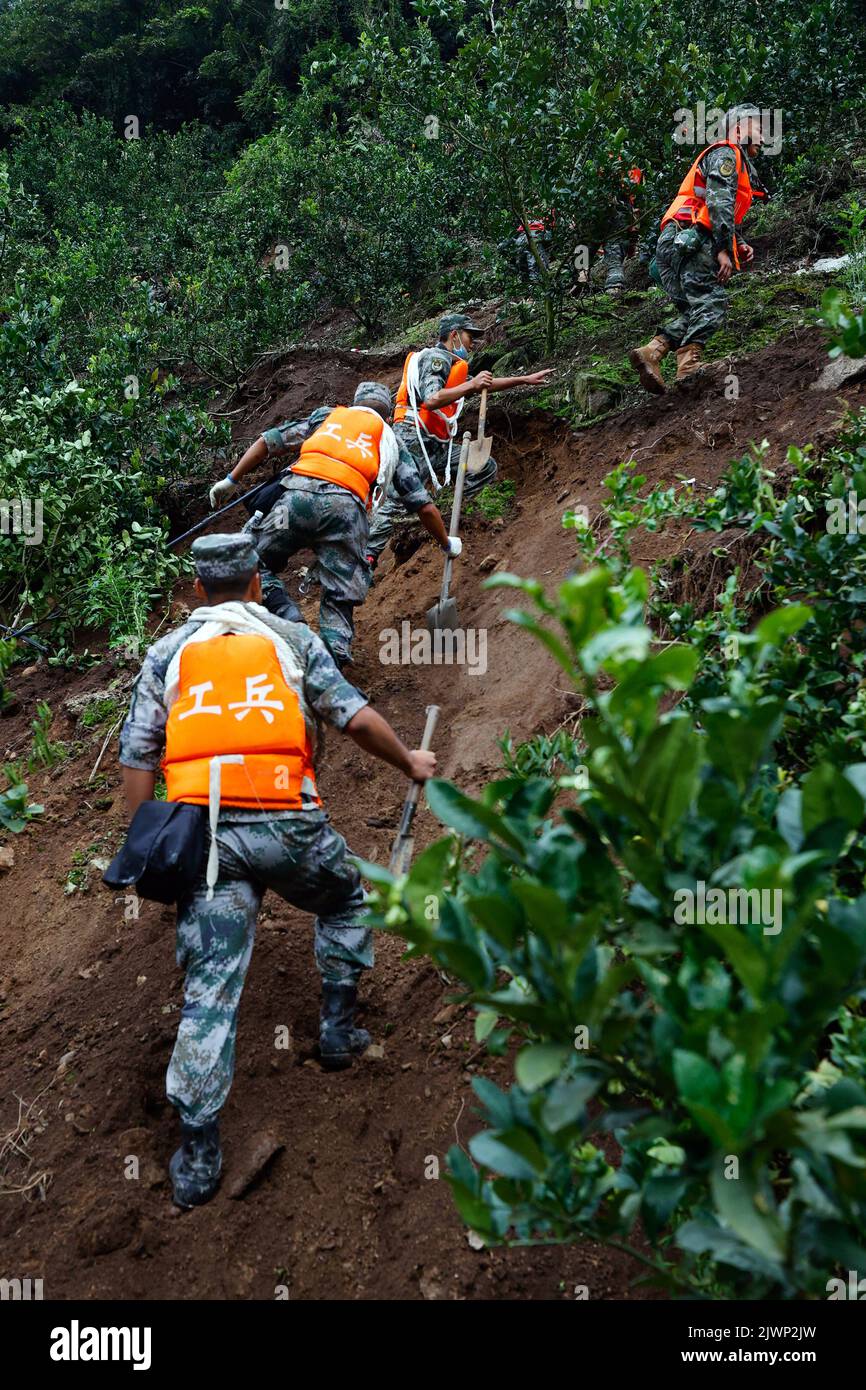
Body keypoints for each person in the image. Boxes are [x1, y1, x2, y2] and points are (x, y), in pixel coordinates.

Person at [118, 533, 437, 1208]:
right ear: (257, 585)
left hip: (207, 842)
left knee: (212, 989)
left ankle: (198, 1150)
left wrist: (145, 842)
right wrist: (409, 761)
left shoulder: (167, 653)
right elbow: (350, 718)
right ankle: (338, 1026)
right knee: (346, 895)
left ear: (198, 590)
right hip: (288, 824)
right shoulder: (290, 638)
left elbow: (139, 756)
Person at [208, 382, 458, 668]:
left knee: (249, 559)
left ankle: (287, 614)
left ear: (353, 404)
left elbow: (270, 441)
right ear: (388, 416)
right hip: (347, 514)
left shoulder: (327, 417)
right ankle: (331, 662)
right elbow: (423, 506)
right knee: (340, 593)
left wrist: (230, 481)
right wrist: (447, 544)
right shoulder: (392, 442)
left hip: (293, 502)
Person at [366, 313, 553, 566]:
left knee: (483, 467)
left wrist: (523, 379)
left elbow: (482, 385)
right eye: (469, 336)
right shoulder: (436, 358)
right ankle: (366, 556)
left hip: (437, 444)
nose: (472, 343)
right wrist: (472, 385)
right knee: (397, 500)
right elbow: (432, 399)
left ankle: (448, 517)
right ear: (454, 335)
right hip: (414, 439)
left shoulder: (451, 363)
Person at [630, 104, 768, 392]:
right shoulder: (726, 153)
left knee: (695, 309)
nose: (765, 138)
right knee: (712, 303)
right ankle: (689, 367)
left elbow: (716, 206)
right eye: (759, 129)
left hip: (674, 242)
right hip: (691, 240)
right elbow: (718, 202)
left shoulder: (726, 156)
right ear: (740, 130)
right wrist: (722, 249)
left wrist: (738, 242)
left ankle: (652, 352)